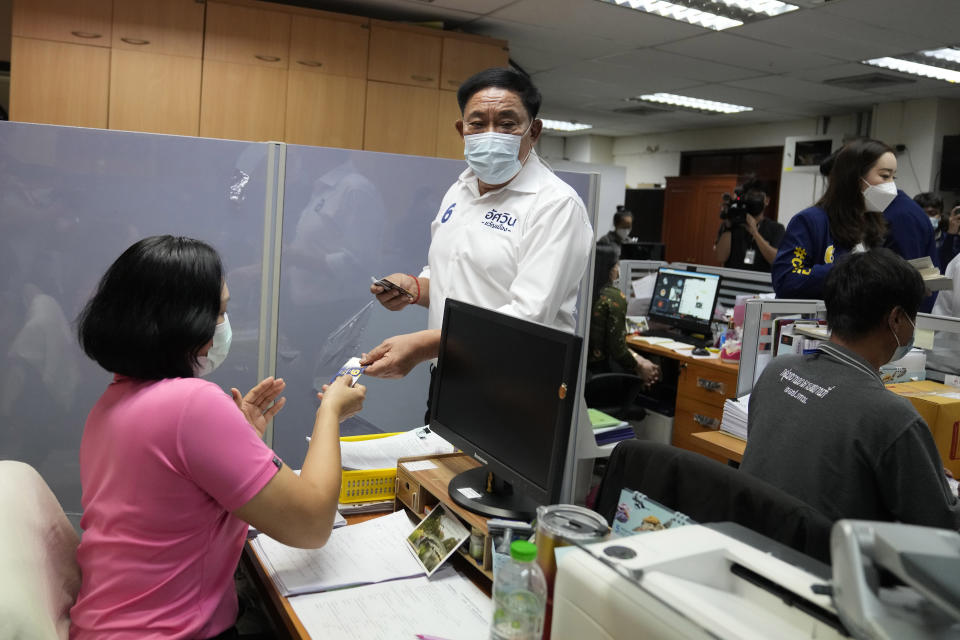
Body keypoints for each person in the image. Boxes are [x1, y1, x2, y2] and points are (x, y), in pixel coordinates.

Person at [70, 236, 366, 639]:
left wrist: (236, 441)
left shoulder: (112, 402)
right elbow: (312, 525)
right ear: (183, 321)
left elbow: (170, 497)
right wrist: (330, 412)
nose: (224, 325)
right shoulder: (193, 405)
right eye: (220, 312)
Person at [362, 68, 593, 395]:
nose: (491, 133)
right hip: (449, 372)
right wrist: (414, 287)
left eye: (507, 123)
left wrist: (426, 345)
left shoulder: (555, 205)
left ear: (534, 130)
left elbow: (527, 319)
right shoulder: (460, 190)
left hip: (516, 386)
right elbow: (454, 275)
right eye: (478, 123)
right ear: (462, 129)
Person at [741, 249, 960, 528]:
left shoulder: (777, 370)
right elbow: (944, 524)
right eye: (913, 315)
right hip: (828, 565)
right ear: (896, 319)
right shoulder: (893, 417)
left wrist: (919, 474)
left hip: (754, 545)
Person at [772, 138, 937, 303]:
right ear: (854, 177)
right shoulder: (811, 221)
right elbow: (787, 280)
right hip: (818, 323)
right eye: (885, 176)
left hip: (863, 323)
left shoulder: (876, 224)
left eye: (894, 177)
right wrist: (856, 269)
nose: (891, 185)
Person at [588, 243, 660, 384]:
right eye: (617, 264)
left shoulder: (586, 292)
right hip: (601, 375)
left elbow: (613, 325)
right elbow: (619, 350)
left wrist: (649, 325)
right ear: (610, 268)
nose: (618, 269)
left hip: (584, 372)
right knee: (647, 370)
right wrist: (639, 365)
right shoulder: (614, 297)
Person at [713, 183, 784, 272]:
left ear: (767, 201)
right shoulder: (731, 225)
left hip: (762, 283)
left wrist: (755, 233)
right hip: (732, 281)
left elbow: (776, 260)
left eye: (756, 196)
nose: (752, 200)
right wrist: (728, 226)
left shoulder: (776, 228)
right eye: (749, 196)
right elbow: (721, 257)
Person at [915, 192, 960, 268]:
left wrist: (951, 235)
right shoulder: (908, 237)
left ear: (940, 216)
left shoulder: (949, 239)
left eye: (932, 213)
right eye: (922, 213)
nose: (927, 218)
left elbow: (947, 263)